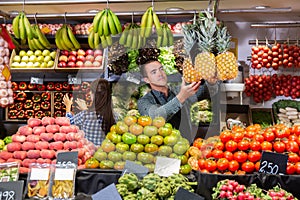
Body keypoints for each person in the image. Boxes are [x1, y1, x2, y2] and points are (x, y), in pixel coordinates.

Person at [138, 60, 218, 143]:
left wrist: (211, 83)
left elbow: (203, 92)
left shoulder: (177, 90)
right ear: (146, 80)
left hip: (186, 147)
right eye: (154, 72)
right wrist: (181, 97)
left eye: (161, 69)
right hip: (163, 152)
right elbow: (155, 117)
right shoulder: (144, 101)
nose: (160, 74)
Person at [62, 78, 115, 146]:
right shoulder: (114, 116)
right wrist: (85, 109)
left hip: (88, 153)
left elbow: (68, 123)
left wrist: (68, 107)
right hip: (105, 154)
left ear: (93, 95)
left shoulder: (85, 115)